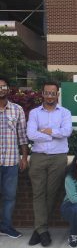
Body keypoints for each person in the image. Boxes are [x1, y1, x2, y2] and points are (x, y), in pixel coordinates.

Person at [27, 81, 72, 247]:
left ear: (57, 95)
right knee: (38, 193)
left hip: (58, 157)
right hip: (38, 156)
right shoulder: (34, 113)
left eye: (53, 93)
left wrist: (48, 131)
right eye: (47, 93)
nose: (50, 96)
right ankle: (42, 230)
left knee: (51, 193)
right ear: (42, 93)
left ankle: (39, 229)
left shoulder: (65, 113)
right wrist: (53, 135)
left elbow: (67, 132)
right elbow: (31, 134)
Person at [0, 76, 28, 238]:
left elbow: (22, 136)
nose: (1, 89)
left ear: (8, 89)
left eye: (3, 86)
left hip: (11, 161)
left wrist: (24, 157)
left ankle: (6, 226)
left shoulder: (17, 109)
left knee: (10, 196)